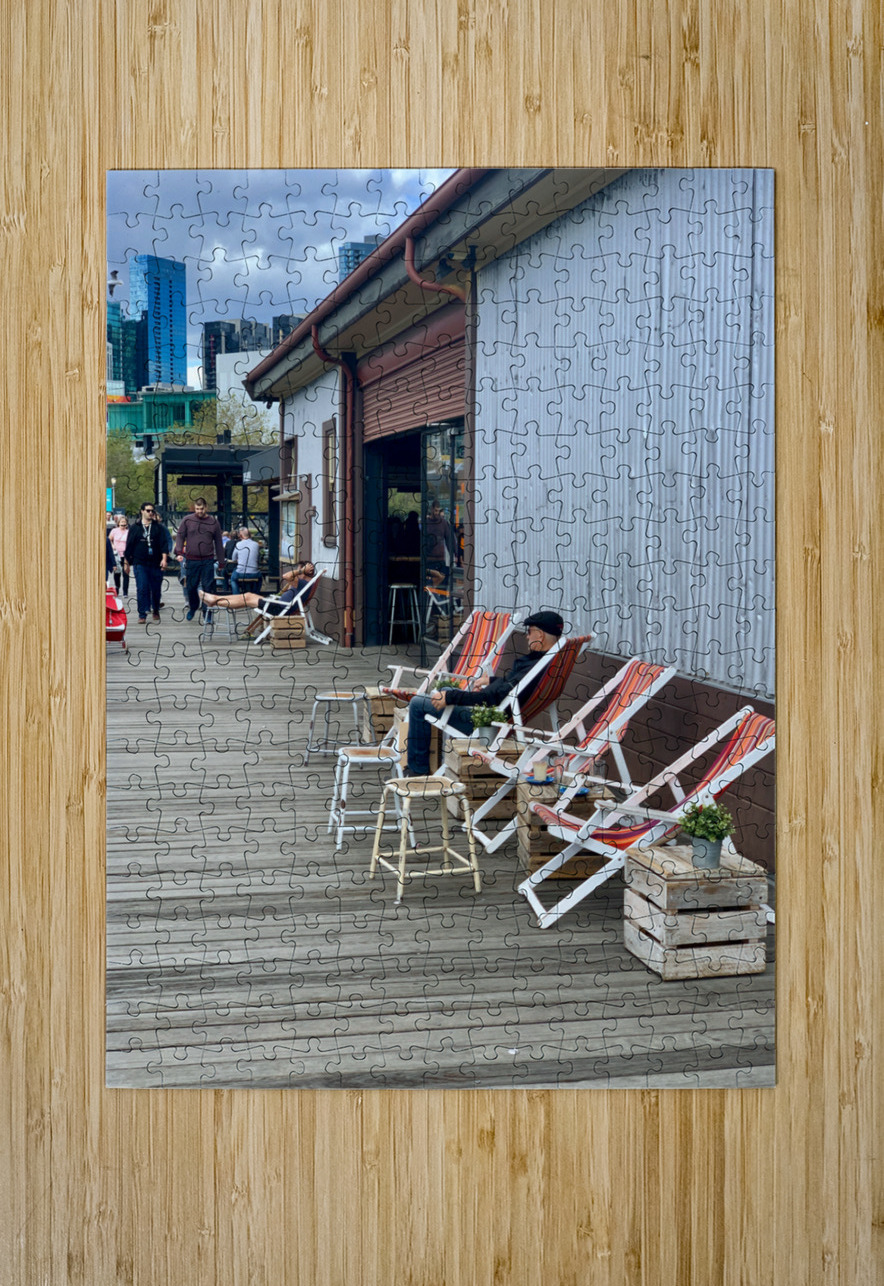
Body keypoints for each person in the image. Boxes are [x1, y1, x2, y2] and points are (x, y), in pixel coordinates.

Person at [405, 610, 565, 775]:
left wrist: (452, 697)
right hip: (494, 714)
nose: (526, 636)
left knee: (418, 703)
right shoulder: (547, 663)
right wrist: (492, 681)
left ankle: (418, 770)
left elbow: (492, 697)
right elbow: (515, 687)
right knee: (445, 690)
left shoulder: (534, 666)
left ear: (540, 635)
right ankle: (436, 761)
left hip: (486, 725)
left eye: (529, 631)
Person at [173, 497, 225, 621]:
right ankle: (193, 607)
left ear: (206, 507)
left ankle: (208, 613)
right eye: (197, 509)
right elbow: (180, 536)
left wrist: (221, 561)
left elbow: (218, 542)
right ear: (194, 508)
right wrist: (179, 551)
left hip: (207, 560)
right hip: (191, 559)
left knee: (208, 587)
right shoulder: (187, 520)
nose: (199, 511)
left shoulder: (213, 522)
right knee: (191, 586)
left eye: (201, 509)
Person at [200, 561, 317, 615]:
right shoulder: (302, 583)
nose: (296, 572)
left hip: (281, 609)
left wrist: (301, 571)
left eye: (299, 570)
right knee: (246, 597)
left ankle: (214, 600)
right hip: (277, 605)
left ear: (306, 572)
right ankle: (214, 599)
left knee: (248, 597)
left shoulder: (303, 583)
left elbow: (285, 576)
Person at [123, 502, 172, 624]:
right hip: (140, 562)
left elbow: (164, 544)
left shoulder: (158, 528)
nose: (150, 513)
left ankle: (155, 609)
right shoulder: (135, 528)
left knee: (155, 588)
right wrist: (126, 563)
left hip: (155, 562)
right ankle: (142, 613)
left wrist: (164, 559)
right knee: (142, 587)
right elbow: (129, 546)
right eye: (148, 510)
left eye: (152, 511)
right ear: (142, 511)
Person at [230, 526, 261, 592]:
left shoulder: (238, 544)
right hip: (254, 573)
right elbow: (258, 558)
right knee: (260, 578)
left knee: (233, 579)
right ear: (249, 534)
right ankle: (255, 594)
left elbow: (233, 559)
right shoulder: (256, 544)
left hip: (241, 572)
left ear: (240, 535)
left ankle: (236, 596)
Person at [109, 514, 131, 596]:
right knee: (117, 572)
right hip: (116, 554)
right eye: (122, 522)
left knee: (126, 573)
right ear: (118, 523)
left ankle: (125, 592)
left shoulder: (129, 532)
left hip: (126, 555)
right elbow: (109, 540)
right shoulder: (114, 531)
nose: (123, 524)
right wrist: (112, 546)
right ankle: (117, 588)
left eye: (125, 522)